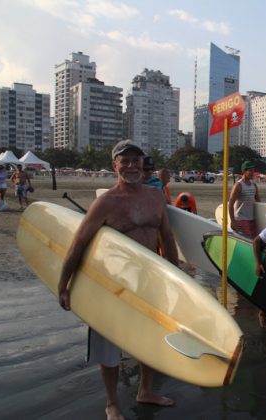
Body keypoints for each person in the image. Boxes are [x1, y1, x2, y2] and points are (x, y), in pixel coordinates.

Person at [57, 140, 177, 420]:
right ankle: (112, 403)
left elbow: (167, 237)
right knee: (108, 344)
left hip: (149, 279)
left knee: (150, 338)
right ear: (115, 166)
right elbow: (78, 244)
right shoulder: (105, 203)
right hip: (111, 284)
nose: (132, 165)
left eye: (136, 160)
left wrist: (176, 277)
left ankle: (145, 390)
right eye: (125, 161)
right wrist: (64, 284)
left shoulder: (156, 196)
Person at [229, 161, 261, 238]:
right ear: (244, 171)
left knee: (252, 242)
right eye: (250, 170)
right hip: (240, 220)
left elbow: (259, 201)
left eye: (253, 170)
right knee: (245, 243)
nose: (252, 172)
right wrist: (233, 221)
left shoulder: (254, 185)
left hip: (251, 219)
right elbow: (230, 204)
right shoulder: (239, 185)